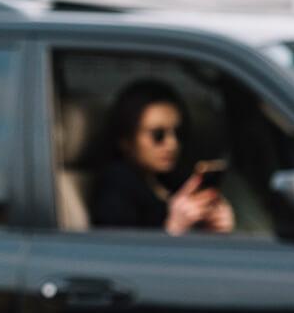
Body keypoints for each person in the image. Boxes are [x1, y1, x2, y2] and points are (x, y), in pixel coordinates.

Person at [89, 78, 235, 235]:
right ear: (126, 139)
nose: (172, 144)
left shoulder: (172, 180)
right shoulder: (115, 189)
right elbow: (118, 254)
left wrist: (214, 225)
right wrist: (173, 228)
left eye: (178, 133)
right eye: (158, 135)